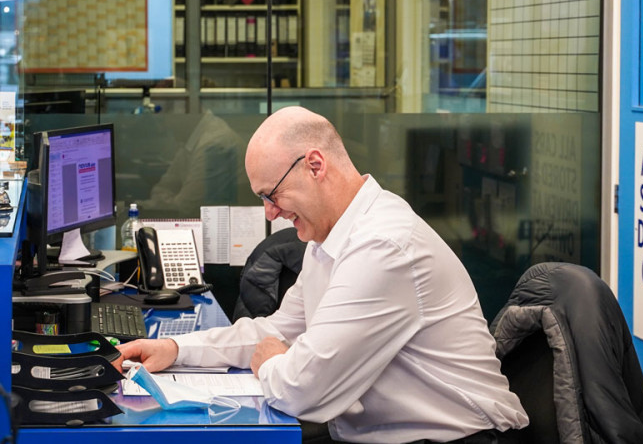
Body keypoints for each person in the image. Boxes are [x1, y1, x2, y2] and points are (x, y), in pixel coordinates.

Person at [116, 106, 528, 444]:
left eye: (270, 194)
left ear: (315, 165)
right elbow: (277, 330)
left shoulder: (382, 245)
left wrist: (274, 361)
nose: (269, 212)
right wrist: (176, 348)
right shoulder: (331, 238)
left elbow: (299, 389)